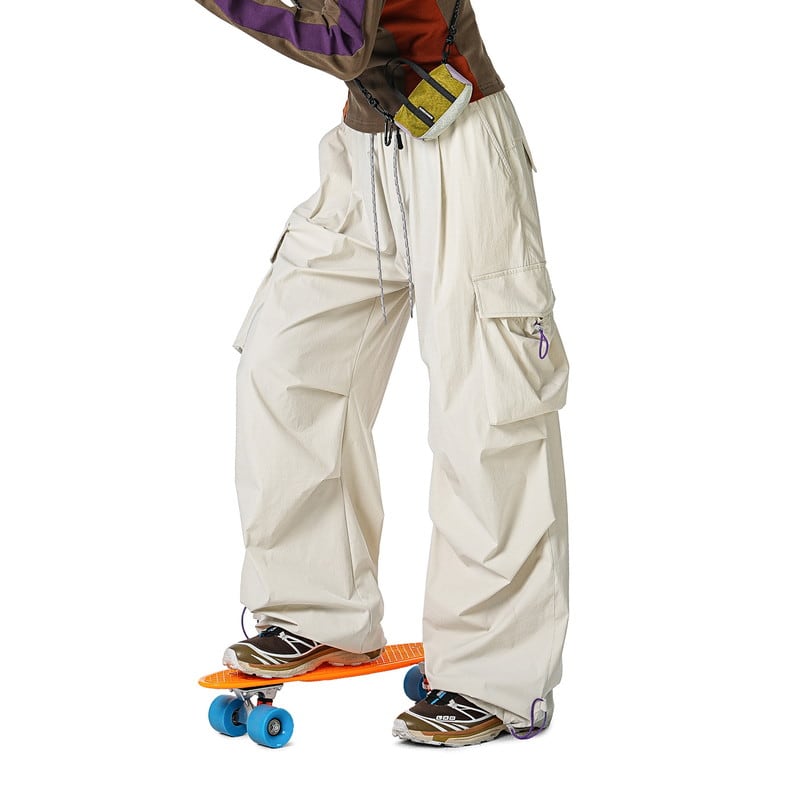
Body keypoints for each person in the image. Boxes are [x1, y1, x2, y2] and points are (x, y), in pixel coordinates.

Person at [193, 0, 570, 747]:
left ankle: (493, 678)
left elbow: (342, 38)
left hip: (460, 149)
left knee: (484, 412)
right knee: (285, 363)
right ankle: (316, 611)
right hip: (365, 148)